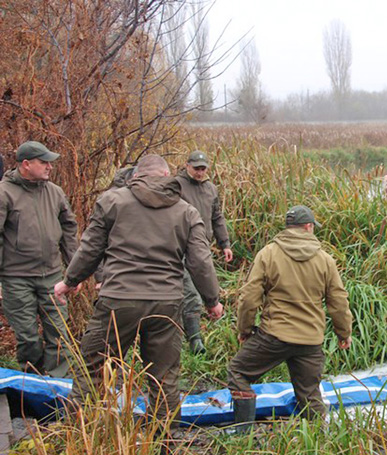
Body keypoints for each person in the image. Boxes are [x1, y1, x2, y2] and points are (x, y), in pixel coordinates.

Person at [53, 154, 223, 427]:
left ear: (136, 176)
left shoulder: (112, 201)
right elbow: (200, 261)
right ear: (167, 173)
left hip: (119, 299)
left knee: (94, 367)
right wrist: (212, 300)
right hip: (166, 302)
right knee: (164, 375)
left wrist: (70, 280)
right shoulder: (186, 211)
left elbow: (90, 248)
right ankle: (164, 438)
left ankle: (80, 431)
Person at [227, 205, 352, 431]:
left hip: (274, 336)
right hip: (310, 341)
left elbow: (249, 297)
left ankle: (242, 435)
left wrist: (244, 329)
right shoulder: (325, 260)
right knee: (309, 393)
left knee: (238, 372)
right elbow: (339, 301)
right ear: (308, 227)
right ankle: (319, 441)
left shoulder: (268, 254)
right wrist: (344, 333)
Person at [0, 141, 79, 378]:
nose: (49, 167)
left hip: (52, 277)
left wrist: (75, 271)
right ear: (26, 164)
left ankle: (56, 387)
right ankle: (32, 384)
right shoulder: (4, 193)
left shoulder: (54, 191)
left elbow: (69, 228)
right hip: (16, 278)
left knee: (59, 333)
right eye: (43, 162)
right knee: (28, 338)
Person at [174, 150, 233, 355]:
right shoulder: (176, 185)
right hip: (179, 248)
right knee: (191, 294)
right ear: (187, 165)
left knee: (199, 289)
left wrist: (224, 243)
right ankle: (195, 341)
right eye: (196, 168)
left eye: (203, 168)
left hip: (202, 247)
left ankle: (186, 331)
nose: (200, 172)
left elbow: (217, 217)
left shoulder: (210, 189)